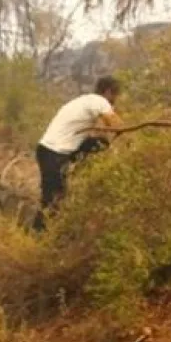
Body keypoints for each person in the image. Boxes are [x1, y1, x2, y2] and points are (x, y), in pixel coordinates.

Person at [34, 75, 120, 229]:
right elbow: (116, 125)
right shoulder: (100, 101)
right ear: (107, 92)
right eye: (115, 95)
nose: (115, 100)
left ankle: (81, 171)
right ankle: (37, 235)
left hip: (51, 151)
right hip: (54, 153)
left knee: (99, 142)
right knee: (53, 199)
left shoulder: (83, 100)